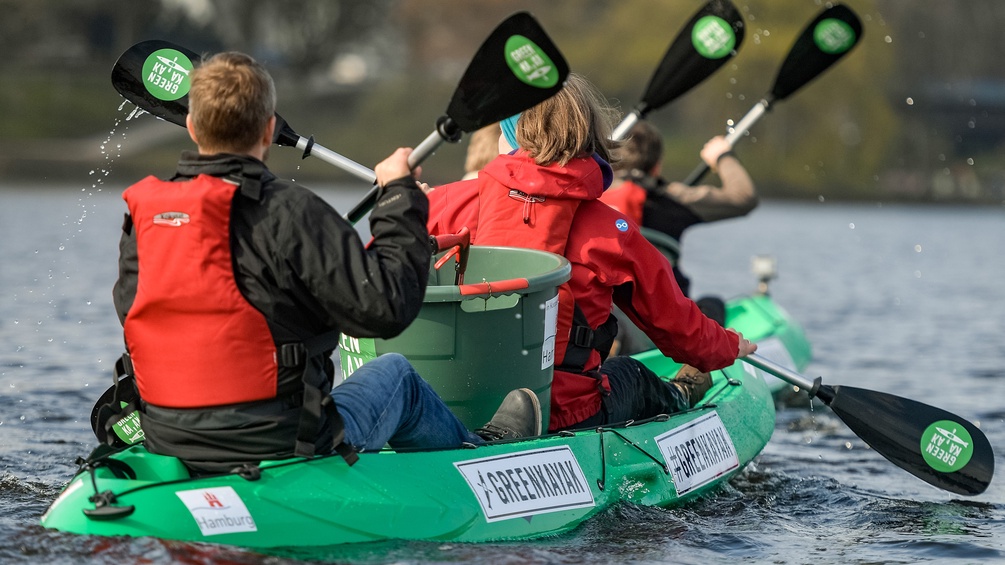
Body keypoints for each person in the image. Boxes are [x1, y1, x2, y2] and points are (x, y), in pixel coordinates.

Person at [110, 51, 540, 475]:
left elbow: (138, 318)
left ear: (190, 126)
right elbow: (387, 308)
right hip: (283, 443)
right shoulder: (292, 212)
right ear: (269, 129)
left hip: (170, 436)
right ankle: (479, 459)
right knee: (396, 374)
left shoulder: (144, 220)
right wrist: (399, 201)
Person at [426, 73, 757, 432]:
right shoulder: (614, 232)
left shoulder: (444, 202)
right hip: (567, 412)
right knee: (629, 373)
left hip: (460, 399)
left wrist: (408, 203)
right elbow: (681, 330)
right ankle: (681, 392)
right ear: (589, 136)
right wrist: (728, 346)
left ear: (511, 136)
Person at [599, 121, 758, 298]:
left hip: (605, 302)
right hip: (661, 306)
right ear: (656, 167)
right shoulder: (674, 198)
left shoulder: (593, 194)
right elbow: (744, 197)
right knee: (713, 303)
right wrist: (723, 156)